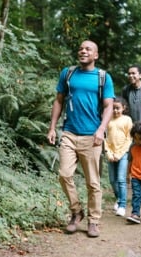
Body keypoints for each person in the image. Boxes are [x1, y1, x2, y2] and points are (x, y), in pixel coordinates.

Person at [47, 40, 115, 238]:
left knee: (93, 183)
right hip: (69, 132)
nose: (83, 51)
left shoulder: (103, 77)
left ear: (96, 55)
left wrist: (101, 129)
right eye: (81, 48)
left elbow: (109, 106)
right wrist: (52, 127)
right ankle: (77, 211)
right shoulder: (68, 73)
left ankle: (94, 221)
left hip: (92, 136)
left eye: (88, 49)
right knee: (64, 174)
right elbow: (59, 100)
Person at [105, 97, 133, 217]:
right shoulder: (107, 120)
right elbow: (104, 138)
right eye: (113, 108)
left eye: (118, 108)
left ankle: (122, 205)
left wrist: (120, 154)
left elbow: (129, 138)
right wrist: (109, 153)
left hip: (123, 154)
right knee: (112, 180)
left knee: (121, 179)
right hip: (111, 154)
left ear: (123, 108)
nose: (115, 111)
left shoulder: (127, 120)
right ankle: (118, 198)